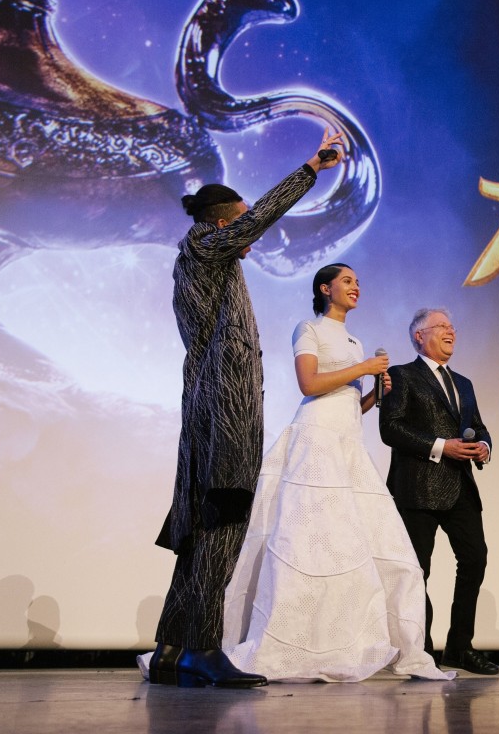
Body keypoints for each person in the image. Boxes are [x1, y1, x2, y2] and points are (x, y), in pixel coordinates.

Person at [148, 133, 344, 689]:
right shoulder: (205, 247)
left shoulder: (208, 259)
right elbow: (256, 219)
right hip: (223, 414)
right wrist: (310, 168)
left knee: (202, 524)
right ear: (218, 225)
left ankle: (172, 648)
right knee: (223, 521)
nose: (249, 240)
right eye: (237, 227)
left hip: (209, 405)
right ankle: (203, 649)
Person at [220, 265, 453, 682]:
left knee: (360, 546)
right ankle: (290, 639)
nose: (355, 286)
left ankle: (349, 638)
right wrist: (363, 368)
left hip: (347, 445)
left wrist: (374, 396)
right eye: (346, 281)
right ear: (325, 288)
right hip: (315, 441)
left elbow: (350, 404)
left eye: (358, 281)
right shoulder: (307, 328)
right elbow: (309, 384)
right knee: (307, 544)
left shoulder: (354, 340)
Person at [378, 308, 498, 675]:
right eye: (442, 326)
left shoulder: (463, 383)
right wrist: (440, 446)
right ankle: (421, 651)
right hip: (417, 487)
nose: (451, 331)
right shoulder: (402, 375)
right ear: (419, 336)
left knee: (475, 559)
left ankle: (460, 648)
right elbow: (390, 428)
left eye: (452, 326)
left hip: (461, 485)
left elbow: (477, 427)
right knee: (418, 571)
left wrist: (484, 447)